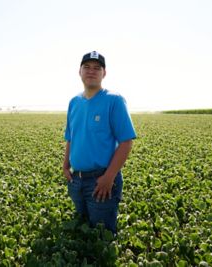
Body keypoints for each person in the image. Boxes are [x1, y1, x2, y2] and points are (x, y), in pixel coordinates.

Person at [63, 51, 136, 233]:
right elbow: (71, 137)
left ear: (104, 73)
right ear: (79, 72)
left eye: (97, 68)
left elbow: (126, 142)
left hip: (101, 181)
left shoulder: (114, 100)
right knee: (82, 227)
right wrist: (66, 165)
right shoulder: (74, 102)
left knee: (101, 235)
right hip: (76, 180)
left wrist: (109, 177)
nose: (91, 71)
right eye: (86, 67)